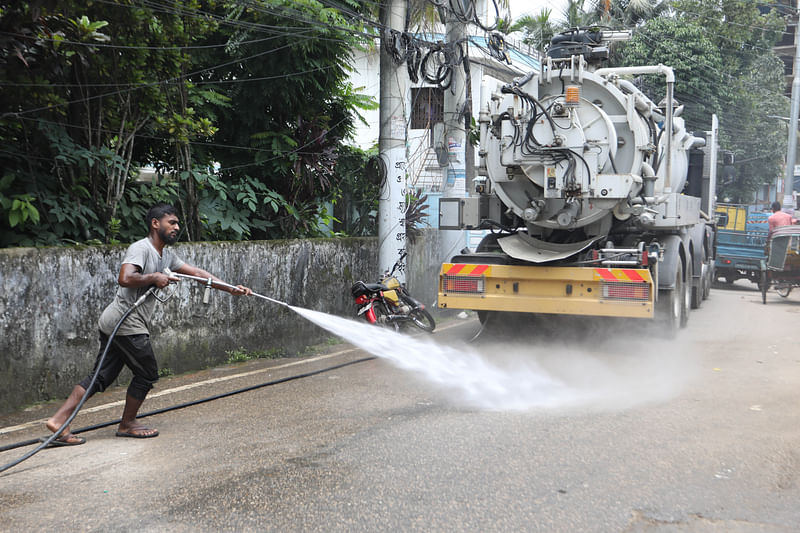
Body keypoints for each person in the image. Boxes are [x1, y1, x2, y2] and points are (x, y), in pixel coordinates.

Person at [45, 203, 251, 445]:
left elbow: (196, 273)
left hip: (116, 322)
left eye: (177, 223)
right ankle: (127, 424)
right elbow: (125, 278)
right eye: (171, 222)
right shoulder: (141, 248)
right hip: (126, 321)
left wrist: (230, 288)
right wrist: (154, 277)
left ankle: (59, 421)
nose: (176, 227)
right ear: (155, 224)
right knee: (147, 373)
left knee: (101, 376)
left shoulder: (166, 254)